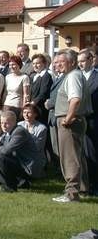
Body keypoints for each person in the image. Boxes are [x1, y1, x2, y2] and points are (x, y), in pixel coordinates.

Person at [53, 49, 92, 203]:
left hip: (70, 123)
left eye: (62, 62)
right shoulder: (74, 76)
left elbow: (75, 100)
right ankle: (82, 189)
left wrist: (68, 119)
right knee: (77, 157)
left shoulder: (73, 76)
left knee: (70, 158)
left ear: (72, 62)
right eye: (57, 62)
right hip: (75, 121)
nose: (58, 65)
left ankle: (71, 194)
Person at [0, 111, 45, 192]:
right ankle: (20, 182)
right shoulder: (9, 132)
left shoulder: (19, 131)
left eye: (6, 123)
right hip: (22, 163)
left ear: (14, 122)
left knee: (0, 158)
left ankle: (8, 188)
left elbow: (6, 150)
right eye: (2, 123)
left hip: (29, 167)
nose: (3, 126)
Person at [78, 48, 98, 194]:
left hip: (92, 121)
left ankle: (94, 186)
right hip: (77, 120)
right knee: (80, 154)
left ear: (91, 60)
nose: (80, 64)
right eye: (78, 62)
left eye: (83, 61)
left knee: (92, 154)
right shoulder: (77, 77)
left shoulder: (96, 77)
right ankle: (83, 184)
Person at [17, 103, 48, 171]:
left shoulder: (41, 128)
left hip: (34, 157)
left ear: (35, 114)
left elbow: (37, 147)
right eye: (24, 112)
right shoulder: (19, 125)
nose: (26, 115)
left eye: (29, 113)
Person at [29, 54, 52, 125]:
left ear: (44, 64)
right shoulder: (34, 76)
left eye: (37, 63)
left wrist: (33, 103)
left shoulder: (46, 76)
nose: (35, 66)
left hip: (41, 109)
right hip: (34, 108)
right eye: (33, 63)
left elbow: (43, 93)